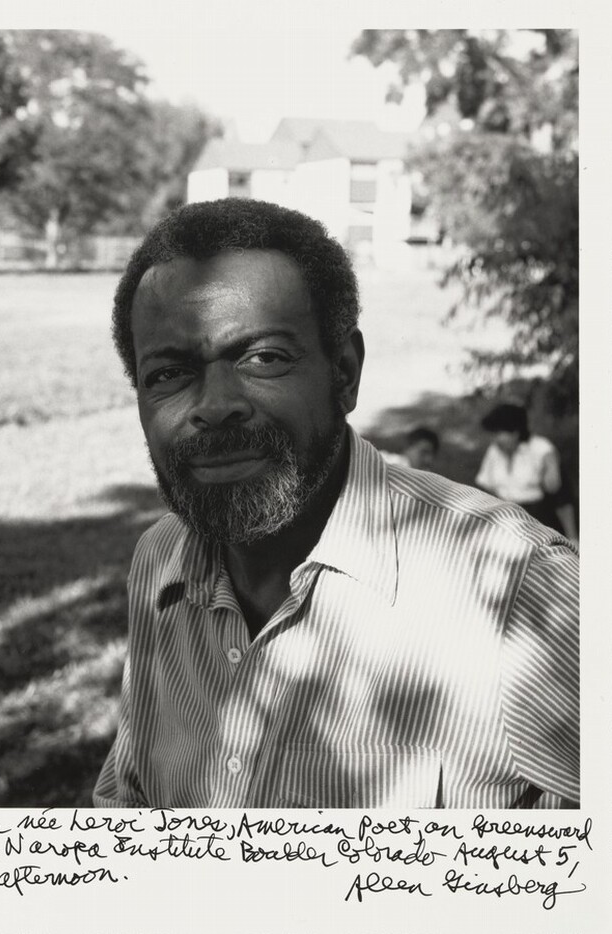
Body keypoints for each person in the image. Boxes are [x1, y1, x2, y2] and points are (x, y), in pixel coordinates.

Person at [94, 198, 578, 810]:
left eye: (264, 357)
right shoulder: (158, 563)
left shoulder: (522, 591)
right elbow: (129, 799)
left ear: (344, 373)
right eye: (168, 373)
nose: (214, 407)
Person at [476, 402, 578, 543]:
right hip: (505, 518)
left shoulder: (541, 448)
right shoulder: (494, 450)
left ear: (515, 432)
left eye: (498, 433)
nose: (494, 439)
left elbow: (557, 491)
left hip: (536, 520)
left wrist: (572, 538)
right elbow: (485, 485)